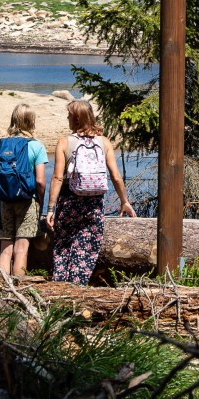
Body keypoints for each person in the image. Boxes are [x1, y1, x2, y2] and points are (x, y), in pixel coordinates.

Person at [45, 99, 135, 284]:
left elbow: (57, 178)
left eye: (69, 116)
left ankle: (60, 291)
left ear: (76, 119)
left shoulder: (65, 142)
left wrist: (51, 209)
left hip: (69, 202)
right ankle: (77, 291)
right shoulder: (104, 142)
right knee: (86, 251)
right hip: (94, 204)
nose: (67, 119)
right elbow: (116, 176)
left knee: (63, 248)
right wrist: (124, 201)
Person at [0, 103, 48, 277]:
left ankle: (1, 291)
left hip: (5, 199)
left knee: (5, 249)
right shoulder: (37, 146)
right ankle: (19, 291)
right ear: (31, 121)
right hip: (28, 200)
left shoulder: (2, 144)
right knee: (21, 249)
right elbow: (40, 181)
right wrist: (41, 201)